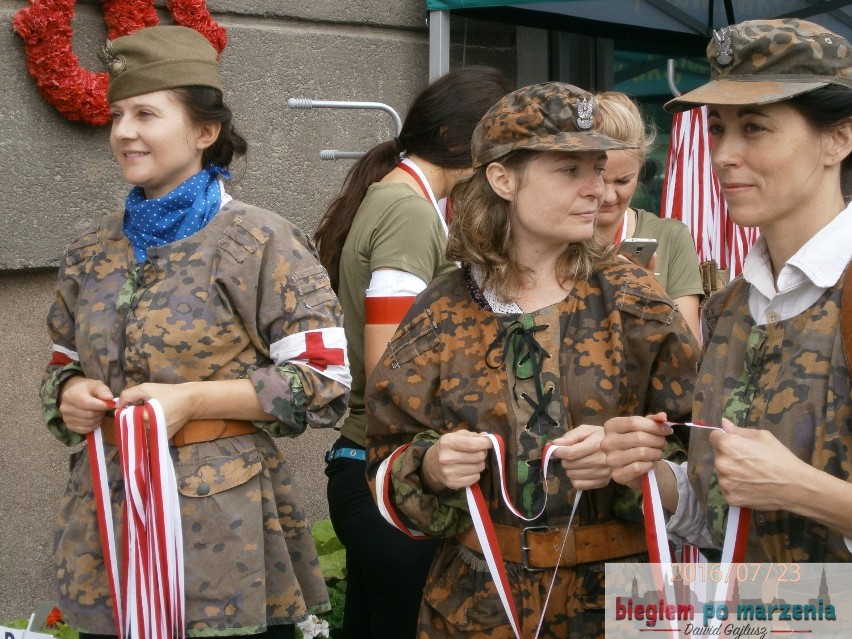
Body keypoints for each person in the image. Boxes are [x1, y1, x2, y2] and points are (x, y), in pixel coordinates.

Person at [40, 26, 350, 638]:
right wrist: (71, 393)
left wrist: (192, 400)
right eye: (118, 115)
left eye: (147, 114)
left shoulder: (259, 241)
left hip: (221, 531)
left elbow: (323, 378)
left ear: (204, 133)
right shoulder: (90, 251)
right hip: (110, 521)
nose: (124, 131)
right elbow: (61, 365)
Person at [364, 83, 700, 638]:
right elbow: (382, 459)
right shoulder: (442, 310)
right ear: (502, 179)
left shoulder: (636, 302)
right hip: (476, 608)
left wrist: (639, 462)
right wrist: (429, 466)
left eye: (601, 167)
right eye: (570, 170)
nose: (599, 190)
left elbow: (703, 453)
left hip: (617, 607)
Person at [602, 18, 852, 563]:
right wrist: (649, 473)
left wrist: (804, 489)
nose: (723, 154)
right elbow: (719, 515)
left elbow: (775, 487)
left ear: (838, 139)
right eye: (717, 128)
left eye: (755, 128)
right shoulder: (730, 308)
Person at [313, 66, 507, 638]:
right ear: (461, 143)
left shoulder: (394, 196)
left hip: (366, 468)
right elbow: (389, 368)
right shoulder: (409, 211)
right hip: (384, 472)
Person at [595, 90, 704, 339]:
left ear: (641, 169)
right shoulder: (558, 236)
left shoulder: (670, 236)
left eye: (623, 181)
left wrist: (645, 292)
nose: (609, 196)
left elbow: (687, 349)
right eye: (599, 179)